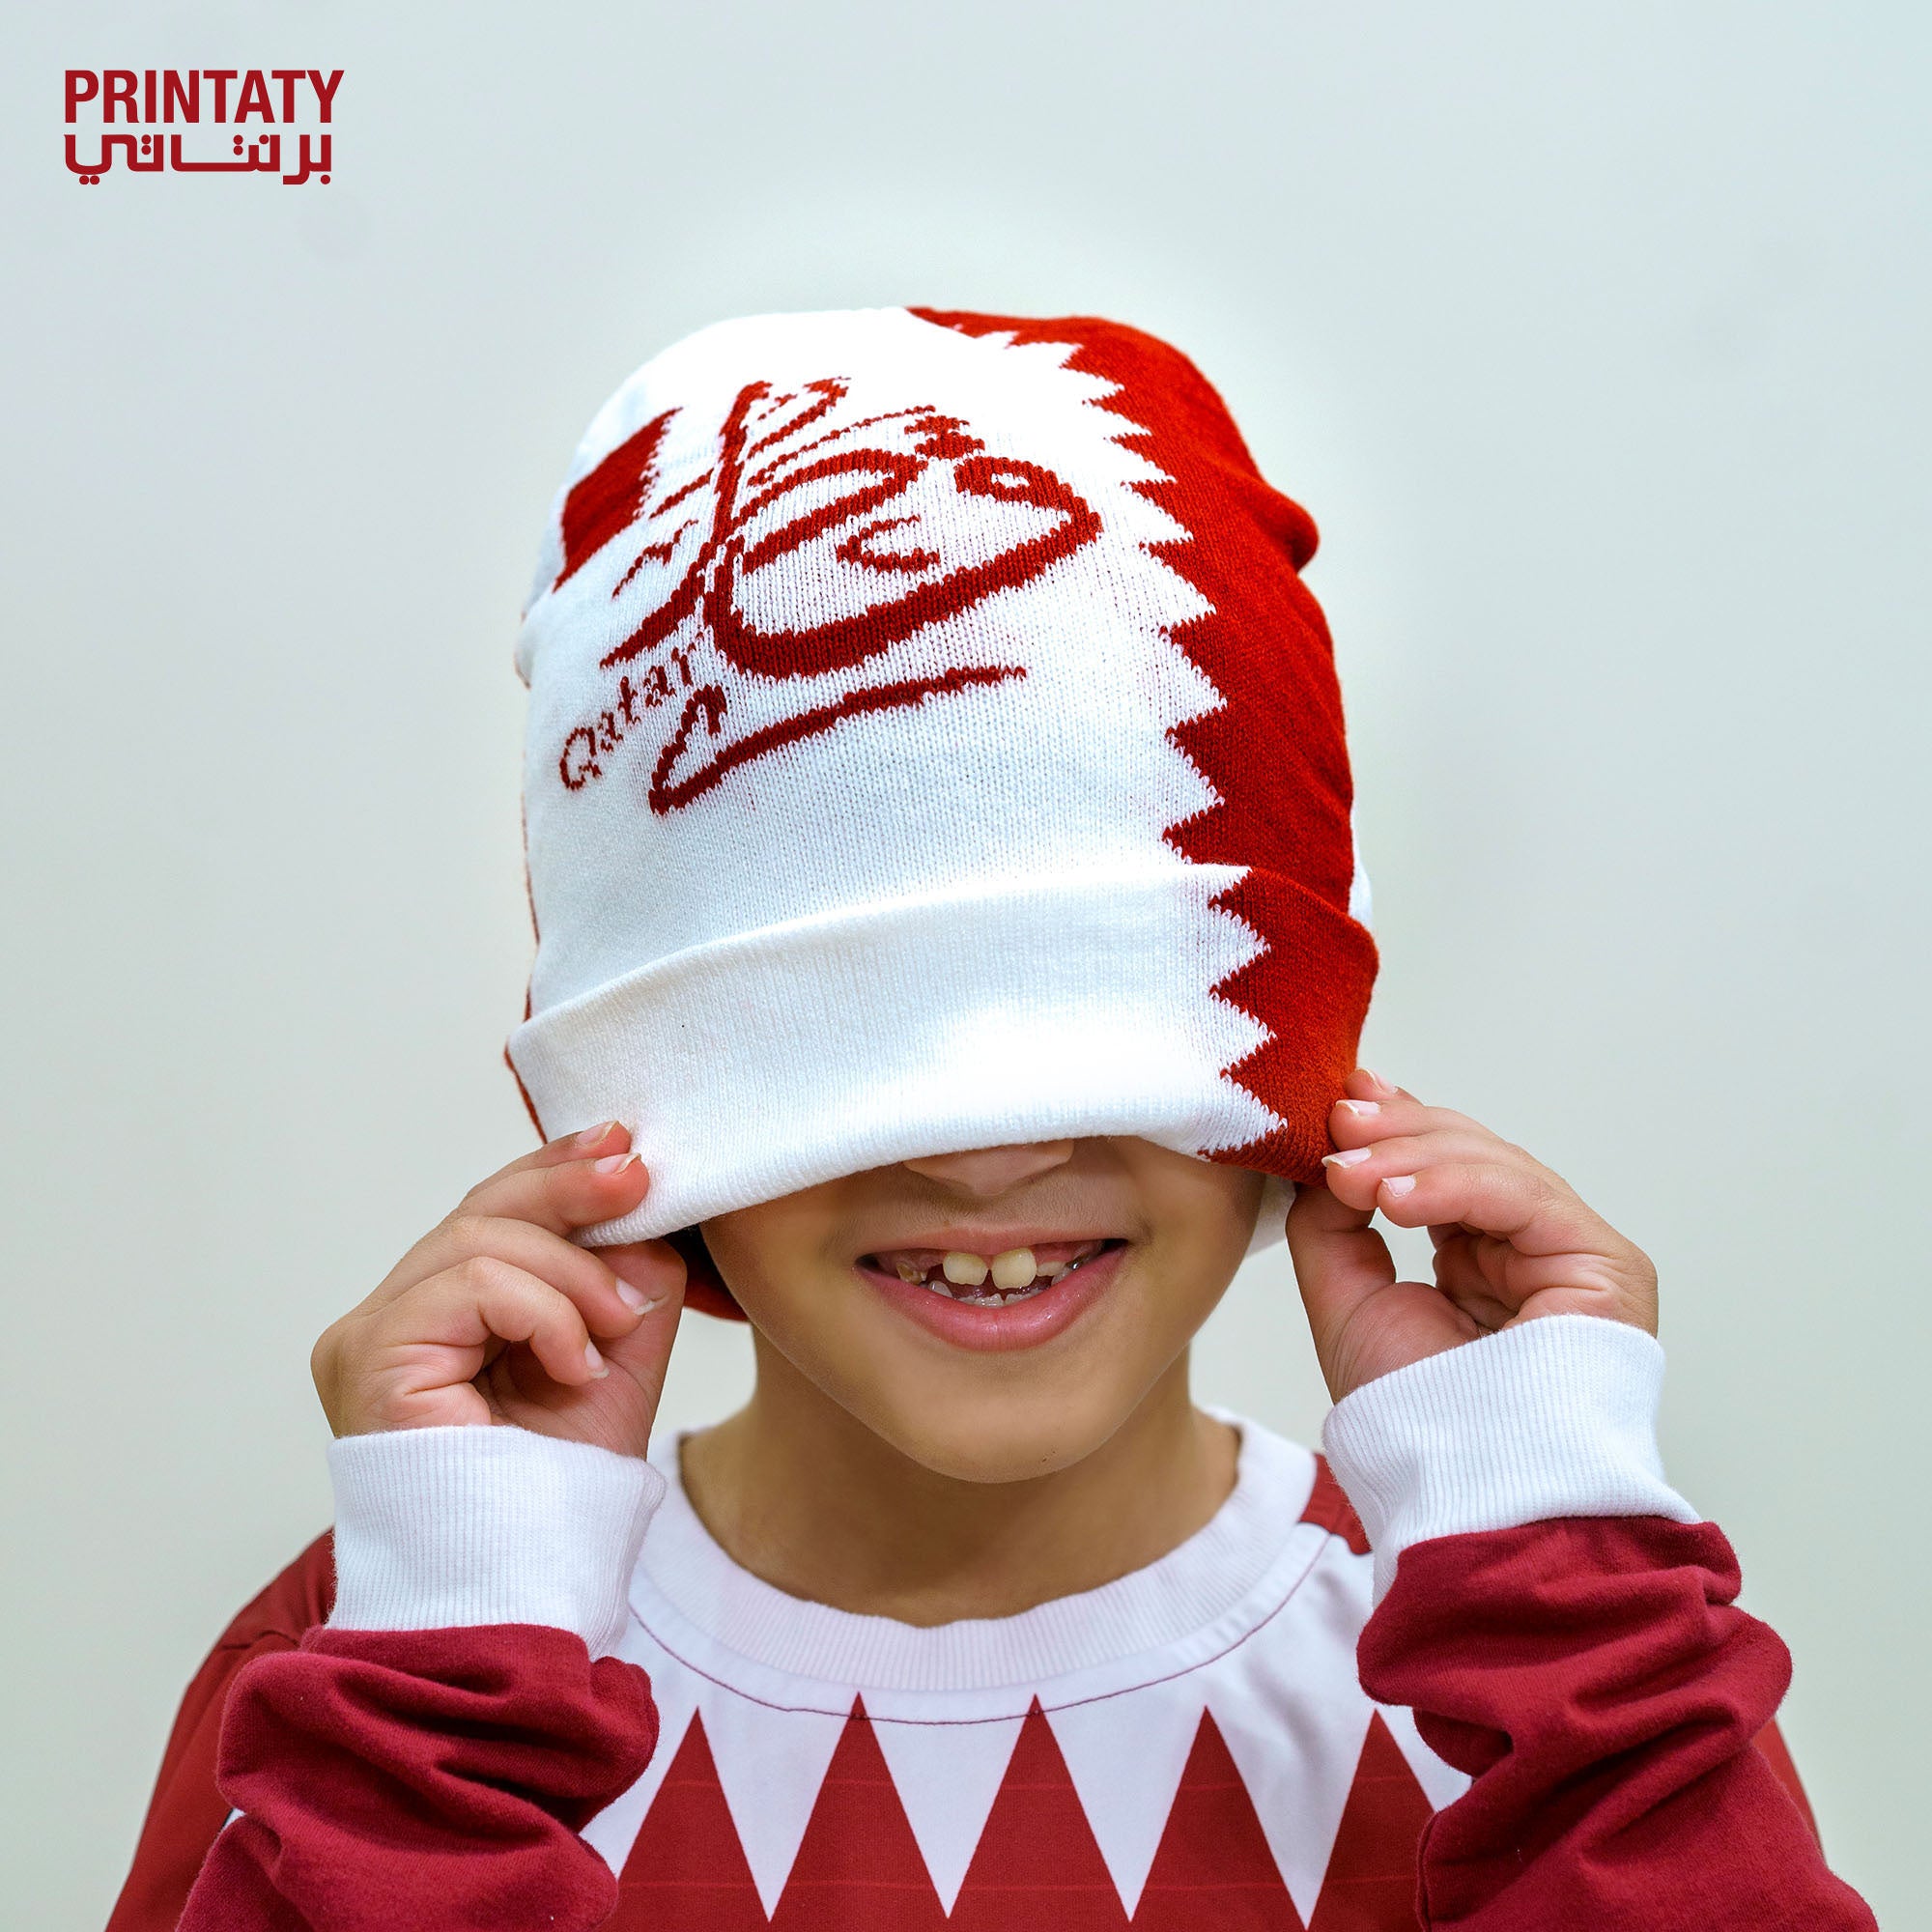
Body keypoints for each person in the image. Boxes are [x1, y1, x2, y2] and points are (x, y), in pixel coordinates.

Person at [108, 307, 1876, 1931]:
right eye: (834, 1046)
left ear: (1283, 1055)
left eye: (1103, 1022)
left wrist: (1557, 1568)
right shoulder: (404, 1673)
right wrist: (442, 1684)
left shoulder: (1543, 1686)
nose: (982, 1154)